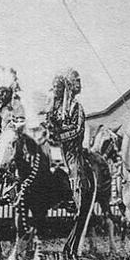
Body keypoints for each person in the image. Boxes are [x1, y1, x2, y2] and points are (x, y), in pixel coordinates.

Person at [47, 69, 86, 197]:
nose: (55, 90)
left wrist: (61, 136)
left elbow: (78, 129)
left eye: (58, 87)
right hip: (53, 146)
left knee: (73, 169)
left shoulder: (76, 106)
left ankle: (75, 198)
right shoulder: (51, 107)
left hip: (70, 148)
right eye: (53, 87)